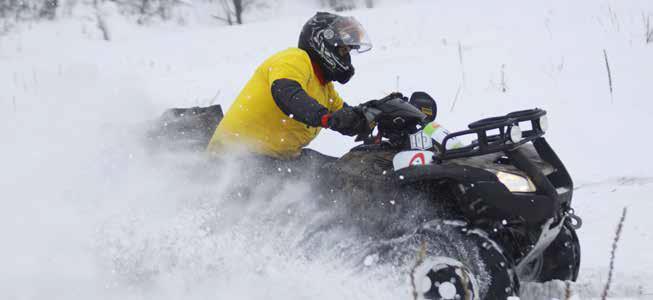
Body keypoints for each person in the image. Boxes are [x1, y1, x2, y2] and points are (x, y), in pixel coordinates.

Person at [206, 12, 377, 160]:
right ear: (322, 42)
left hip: (277, 161)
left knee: (344, 171)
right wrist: (325, 118)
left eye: (347, 53)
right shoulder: (295, 58)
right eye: (342, 51)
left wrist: (376, 115)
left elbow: (346, 116)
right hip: (235, 159)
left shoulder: (325, 88)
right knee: (335, 184)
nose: (346, 59)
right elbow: (287, 93)